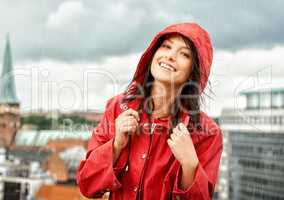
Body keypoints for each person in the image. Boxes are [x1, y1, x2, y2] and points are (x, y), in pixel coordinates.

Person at [77, 22, 223, 200]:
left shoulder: (207, 133)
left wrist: (190, 164)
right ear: (153, 54)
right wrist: (116, 146)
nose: (170, 56)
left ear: (194, 71)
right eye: (166, 47)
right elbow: (87, 185)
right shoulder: (117, 108)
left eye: (184, 54)